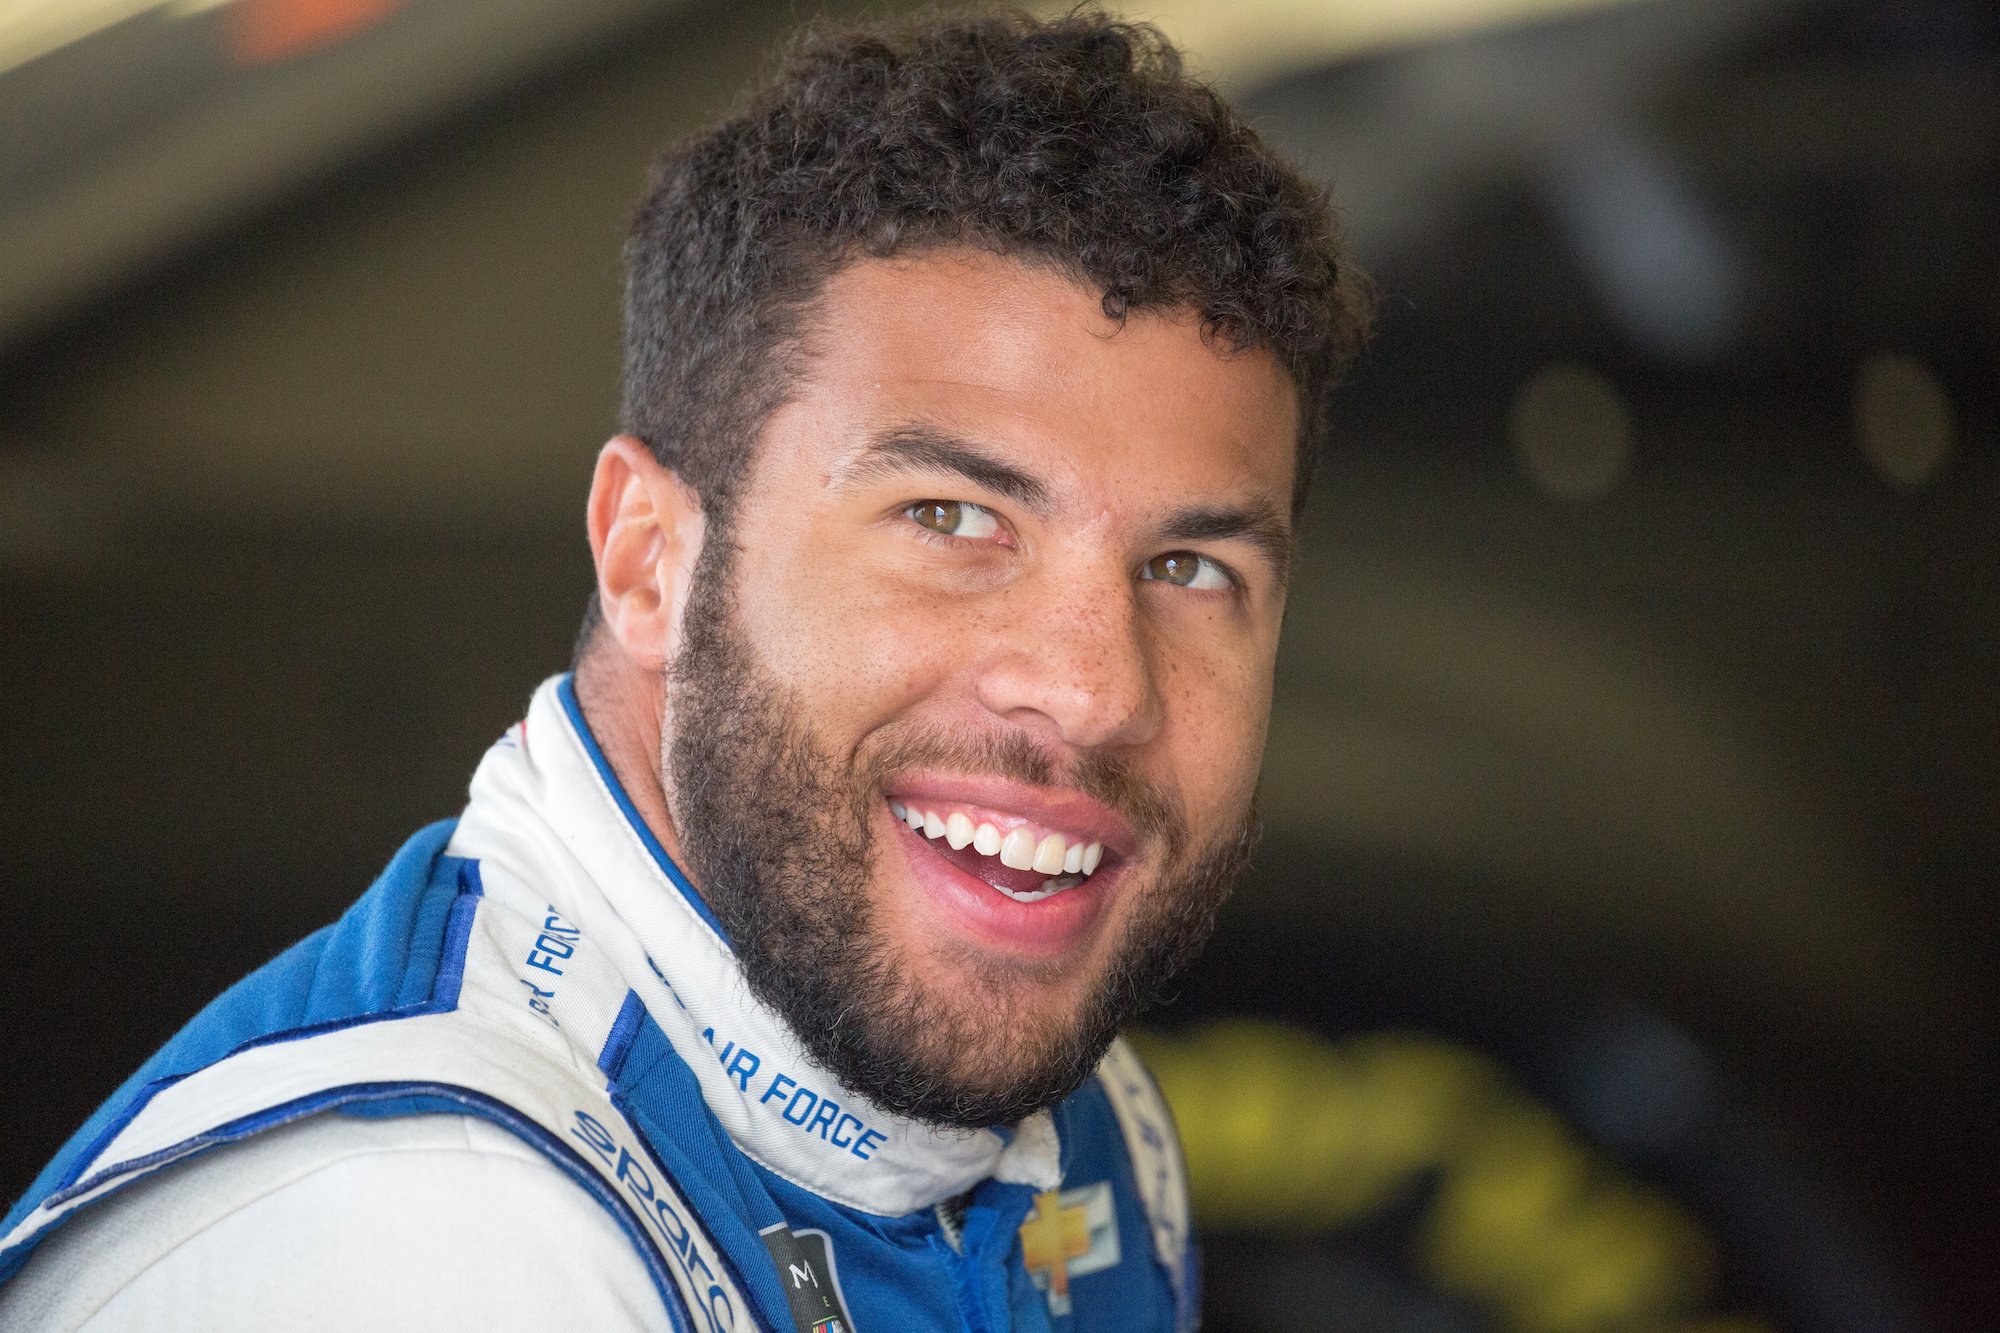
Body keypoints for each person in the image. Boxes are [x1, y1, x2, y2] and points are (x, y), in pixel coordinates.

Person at [0, 9, 1367, 1330]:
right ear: (650, 561)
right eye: (951, 520)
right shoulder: (427, 1244)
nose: (1093, 693)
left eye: (1193, 570)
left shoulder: (1089, 1143)